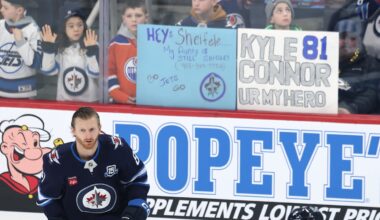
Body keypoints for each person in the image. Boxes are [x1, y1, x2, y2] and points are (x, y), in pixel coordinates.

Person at [37, 107, 150, 220]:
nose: (88, 136)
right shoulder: (57, 161)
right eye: (82, 130)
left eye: (92, 129)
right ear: (73, 131)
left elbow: (138, 180)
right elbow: (47, 198)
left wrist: (133, 212)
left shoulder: (117, 148)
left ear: (99, 128)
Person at [40, 9, 100, 102]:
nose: (76, 29)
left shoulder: (92, 44)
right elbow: (49, 71)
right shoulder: (60, 48)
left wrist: (91, 51)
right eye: (71, 26)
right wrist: (48, 50)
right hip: (65, 102)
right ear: (64, 29)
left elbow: (95, 73)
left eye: (80, 25)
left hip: (90, 101)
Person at [0, 114, 52, 212]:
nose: (36, 154)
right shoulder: (2, 183)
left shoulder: (40, 184)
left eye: (36, 144)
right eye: (23, 145)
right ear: (5, 148)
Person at [108, 0, 148, 104]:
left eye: (138, 15)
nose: (134, 19)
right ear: (123, 18)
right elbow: (109, 71)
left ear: (146, 17)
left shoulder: (152, 43)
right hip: (120, 103)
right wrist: (119, 95)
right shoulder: (115, 43)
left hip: (148, 102)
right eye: (129, 16)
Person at [0, 0, 41, 98]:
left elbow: (36, 63)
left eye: (5, 8)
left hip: (24, 93)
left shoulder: (33, 30)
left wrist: (21, 42)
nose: (1, 9)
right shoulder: (0, 26)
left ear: (19, 10)